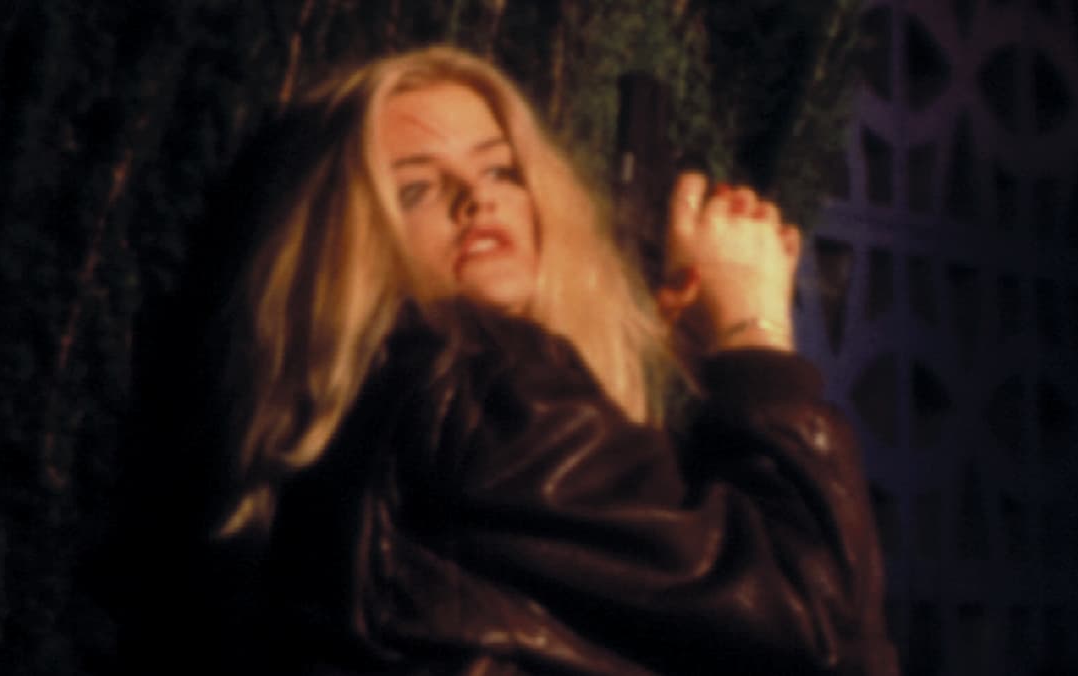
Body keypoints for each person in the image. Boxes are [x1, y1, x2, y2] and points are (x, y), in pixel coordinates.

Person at [99, 46, 896, 675]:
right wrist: (754, 334)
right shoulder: (474, 377)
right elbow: (812, 625)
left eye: (500, 170)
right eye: (416, 188)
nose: (476, 198)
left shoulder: (375, 420)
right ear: (351, 239)